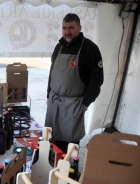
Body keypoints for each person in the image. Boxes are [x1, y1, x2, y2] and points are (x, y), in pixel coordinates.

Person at [45, 13, 104, 154]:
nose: (67, 32)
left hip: (73, 106)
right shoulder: (59, 47)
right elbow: (51, 73)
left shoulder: (91, 49)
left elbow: (97, 81)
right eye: (64, 28)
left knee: (70, 148)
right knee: (52, 143)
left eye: (71, 28)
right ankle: (52, 170)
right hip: (54, 102)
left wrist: (85, 104)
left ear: (79, 28)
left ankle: (69, 173)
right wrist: (48, 95)